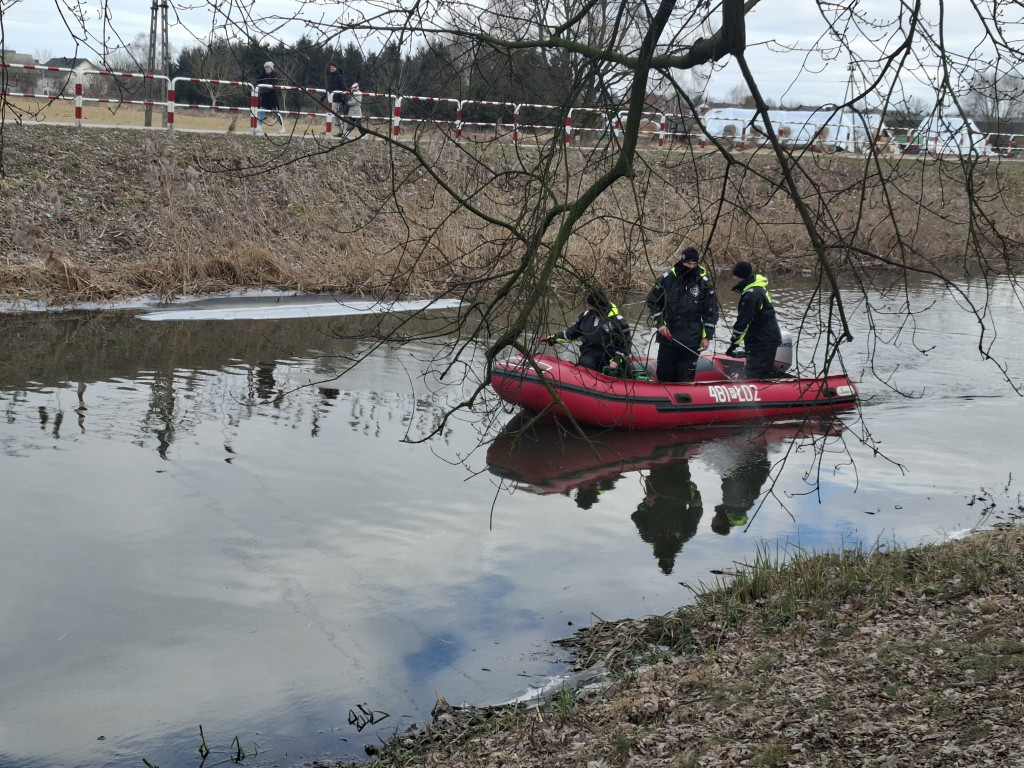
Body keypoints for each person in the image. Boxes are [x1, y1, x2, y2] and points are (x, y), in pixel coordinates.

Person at [646, 246, 718, 383]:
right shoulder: (666, 279)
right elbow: (654, 303)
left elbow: (711, 311)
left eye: (694, 264)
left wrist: (707, 336)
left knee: (686, 375)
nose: (691, 267)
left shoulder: (703, 283)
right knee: (665, 373)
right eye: (688, 264)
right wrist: (660, 324)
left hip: (692, 339)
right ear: (682, 262)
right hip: (668, 337)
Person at [631, 460, 703, 575]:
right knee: (679, 459)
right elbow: (696, 510)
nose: (667, 559)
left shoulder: (648, 536)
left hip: (657, 487)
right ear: (673, 560)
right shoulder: (685, 535)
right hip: (680, 487)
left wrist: (647, 504)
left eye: (664, 562)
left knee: (657, 459)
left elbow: (637, 517)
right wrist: (695, 492)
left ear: (659, 561)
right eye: (669, 562)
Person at [542, 289, 631, 375]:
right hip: (590, 352)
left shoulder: (618, 321)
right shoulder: (586, 316)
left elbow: (626, 344)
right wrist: (555, 337)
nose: (587, 306)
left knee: (625, 370)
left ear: (596, 306)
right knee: (587, 364)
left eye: (589, 304)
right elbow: (573, 333)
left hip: (611, 354)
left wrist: (616, 360)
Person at [726, 261, 782, 379]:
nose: (733, 278)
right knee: (760, 372)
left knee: (755, 374)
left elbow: (743, 323)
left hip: (762, 342)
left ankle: (759, 388)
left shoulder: (751, 295)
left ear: (740, 276)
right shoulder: (756, 288)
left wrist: (734, 344)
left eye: (735, 275)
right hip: (764, 338)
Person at [256, 61, 285, 133]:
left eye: (268, 67)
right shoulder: (264, 75)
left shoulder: (274, 74)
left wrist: (265, 88)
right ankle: (259, 127)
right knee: (261, 111)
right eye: (265, 67)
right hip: (265, 97)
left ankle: (282, 127)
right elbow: (258, 81)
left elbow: (273, 84)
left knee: (276, 113)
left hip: (273, 98)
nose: (266, 69)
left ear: (271, 68)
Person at [326, 63, 347, 136]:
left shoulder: (340, 76)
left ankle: (328, 131)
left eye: (333, 67)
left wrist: (343, 97)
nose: (331, 68)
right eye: (330, 67)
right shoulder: (329, 77)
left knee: (331, 114)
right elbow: (329, 88)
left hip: (337, 99)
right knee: (335, 116)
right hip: (330, 98)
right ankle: (341, 131)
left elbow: (344, 88)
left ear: (336, 68)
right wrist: (324, 96)